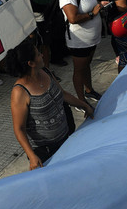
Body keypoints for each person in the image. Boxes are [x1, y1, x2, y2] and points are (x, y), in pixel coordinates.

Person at [6, 41, 94, 169]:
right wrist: (32, 156)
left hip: (65, 136)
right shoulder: (19, 92)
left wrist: (84, 105)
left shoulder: (46, 71)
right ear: (31, 63)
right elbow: (19, 128)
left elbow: (63, 94)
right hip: (46, 151)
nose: (42, 55)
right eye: (38, 54)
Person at [60, 0, 109, 103]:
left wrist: (100, 6)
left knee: (87, 65)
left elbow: (90, 6)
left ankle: (89, 91)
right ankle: (81, 100)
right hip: (79, 42)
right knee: (79, 70)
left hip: (91, 40)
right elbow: (73, 18)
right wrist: (93, 13)